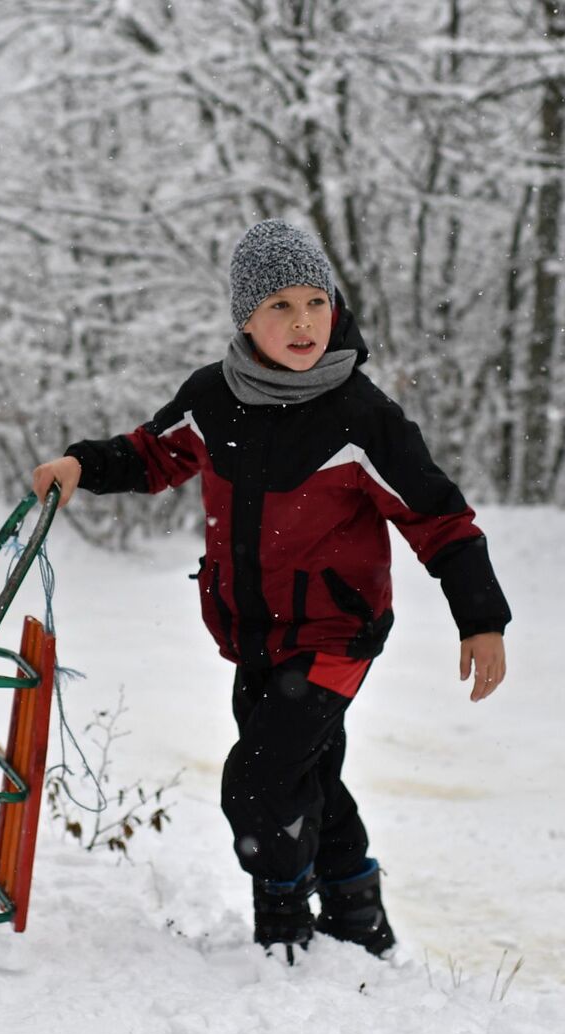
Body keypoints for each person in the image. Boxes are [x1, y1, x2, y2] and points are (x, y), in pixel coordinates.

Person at [29, 220, 512, 961]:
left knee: (257, 785)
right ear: (247, 318)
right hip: (252, 631)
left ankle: (283, 926)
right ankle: (357, 918)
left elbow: (438, 519)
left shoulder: (360, 416)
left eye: (315, 302)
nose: (302, 323)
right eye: (279, 306)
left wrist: (480, 619)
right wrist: (81, 466)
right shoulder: (214, 398)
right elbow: (152, 456)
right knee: (310, 771)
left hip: (334, 634)